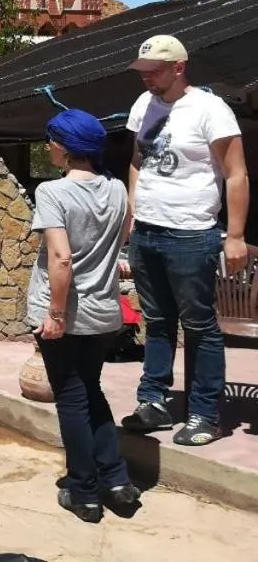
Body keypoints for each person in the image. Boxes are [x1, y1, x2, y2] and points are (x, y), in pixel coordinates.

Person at [121, 35, 249, 446]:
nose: (146, 79)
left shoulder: (211, 110)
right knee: (157, 322)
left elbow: (236, 174)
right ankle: (153, 402)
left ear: (179, 67)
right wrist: (132, 214)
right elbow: (138, 161)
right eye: (142, 71)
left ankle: (205, 414)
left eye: (153, 70)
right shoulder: (144, 106)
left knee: (199, 327)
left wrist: (236, 236)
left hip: (192, 234)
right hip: (148, 233)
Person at [27, 109, 139, 523]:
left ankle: (84, 492)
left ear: (64, 147)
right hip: (104, 312)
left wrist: (55, 314)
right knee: (92, 393)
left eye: (50, 140)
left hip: (66, 313)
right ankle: (118, 482)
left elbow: (61, 257)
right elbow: (118, 240)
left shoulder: (53, 193)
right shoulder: (116, 190)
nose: (47, 147)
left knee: (72, 400)